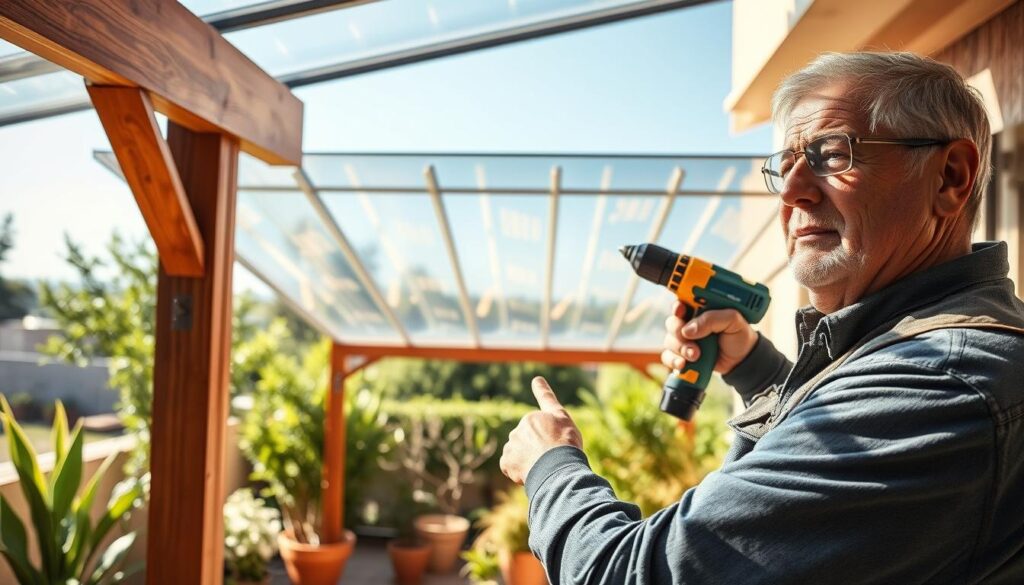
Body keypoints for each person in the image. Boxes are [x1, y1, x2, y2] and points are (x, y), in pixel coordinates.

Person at [499, 52, 1024, 584]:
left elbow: (627, 574)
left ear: (950, 177)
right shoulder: (930, 352)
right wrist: (755, 369)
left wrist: (551, 465)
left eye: (832, 154)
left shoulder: (940, 384)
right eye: (786, 164)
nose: (793, 192)